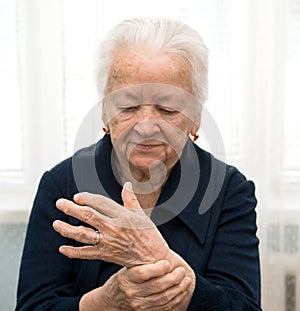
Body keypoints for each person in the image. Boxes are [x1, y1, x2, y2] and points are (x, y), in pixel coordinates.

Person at [16, 18, 261, 310]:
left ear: (196, 117)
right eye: (128, 106)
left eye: (167, 108)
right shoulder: (62, 182)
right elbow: (34, 305)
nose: (146, 126)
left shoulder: (228, 189)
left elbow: (244, 306)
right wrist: (106, 302)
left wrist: (156, 260)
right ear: (105, 112)